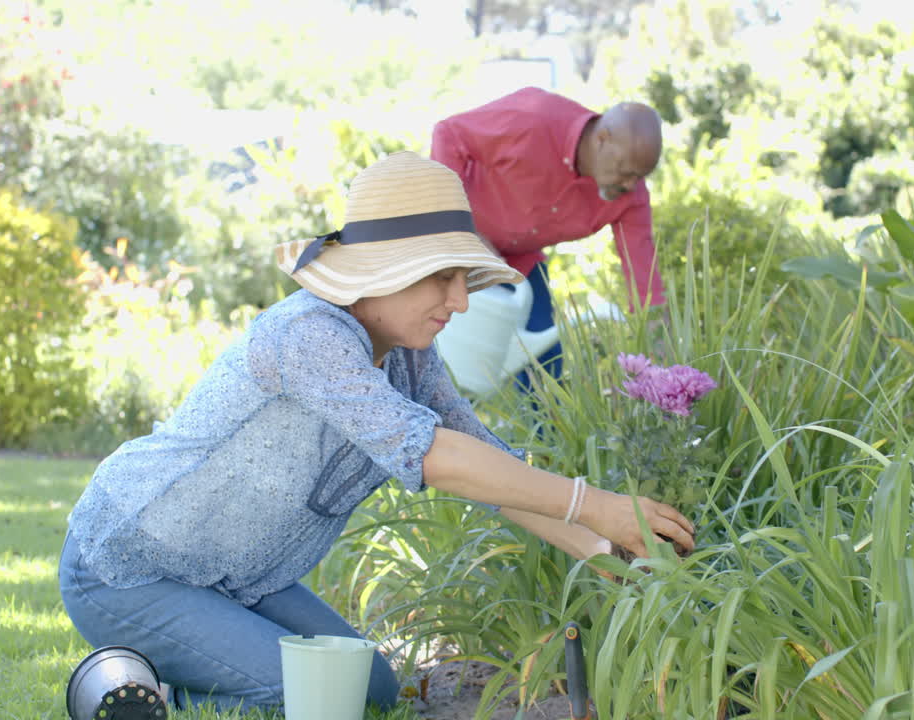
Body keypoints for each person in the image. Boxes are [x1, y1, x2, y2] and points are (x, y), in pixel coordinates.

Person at [58, 151, 695, 714]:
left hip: (237, 577)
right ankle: (127, 691)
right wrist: (595, 505)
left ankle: (175, 671)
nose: (461, 301)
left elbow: (487, 466)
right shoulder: (309, 337)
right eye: (443, 277)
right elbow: (436, 456)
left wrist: (599, 550)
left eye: (463, 279)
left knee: (373, 691)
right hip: (134, 566)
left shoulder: (409, 352)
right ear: (384, 270)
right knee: (308, 698)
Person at [431, 87, 667, 392]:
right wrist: (461, 226)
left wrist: (657, 339)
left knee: (545, 363)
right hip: (452, 244)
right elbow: (449, 134)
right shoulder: (533, 119)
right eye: (625, 172)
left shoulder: (628, 196)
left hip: (519, 265)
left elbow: (642, 274)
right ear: (602, 139)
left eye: (640, 177)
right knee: (432, 352)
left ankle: (541, 439)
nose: (631, 184)